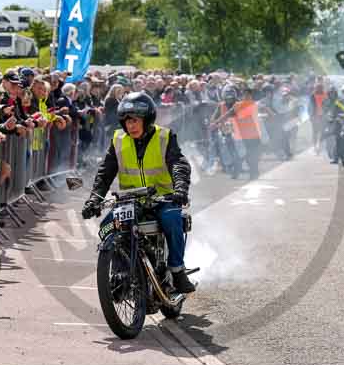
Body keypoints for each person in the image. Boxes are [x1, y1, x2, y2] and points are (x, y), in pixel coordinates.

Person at [80, 92, 195, 293]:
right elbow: (105, 172)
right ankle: (120, 273)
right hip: (130, 200)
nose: (130, 125)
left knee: (171, 219)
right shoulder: (118, 139)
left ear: (147, 119)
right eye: (126, 121)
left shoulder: (164, 136)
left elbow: (178, 164)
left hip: (163, 198)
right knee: (108, 225)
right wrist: (94, 199)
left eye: (135, 120)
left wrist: (180, 189)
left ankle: (177, 270)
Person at [211, 86, 262, 180]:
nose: (246, 97)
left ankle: (253, 171)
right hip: (237, 133)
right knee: (241, 154)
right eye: (245, 95)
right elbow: (226, 115)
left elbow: (258, 116)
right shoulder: (237, 105)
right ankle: (240, 172)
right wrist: (216, 122)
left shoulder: (251, 104)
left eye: (248, 95)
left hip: (252, 132)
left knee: (251, 154)